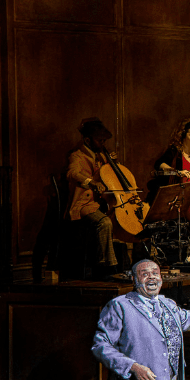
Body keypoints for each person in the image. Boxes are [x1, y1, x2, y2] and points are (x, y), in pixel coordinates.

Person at [65, 117, 126, 277]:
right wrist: (91, 182)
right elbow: (72, 173)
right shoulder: (77, 156)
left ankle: (125, 266)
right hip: (84, 205)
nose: (103, 144)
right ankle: (107, 267)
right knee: (104, 222)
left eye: (104, 140)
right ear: (87, 140)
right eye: (100, 141)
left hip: (102, 203)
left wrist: (113, 163)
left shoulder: (102, 156)